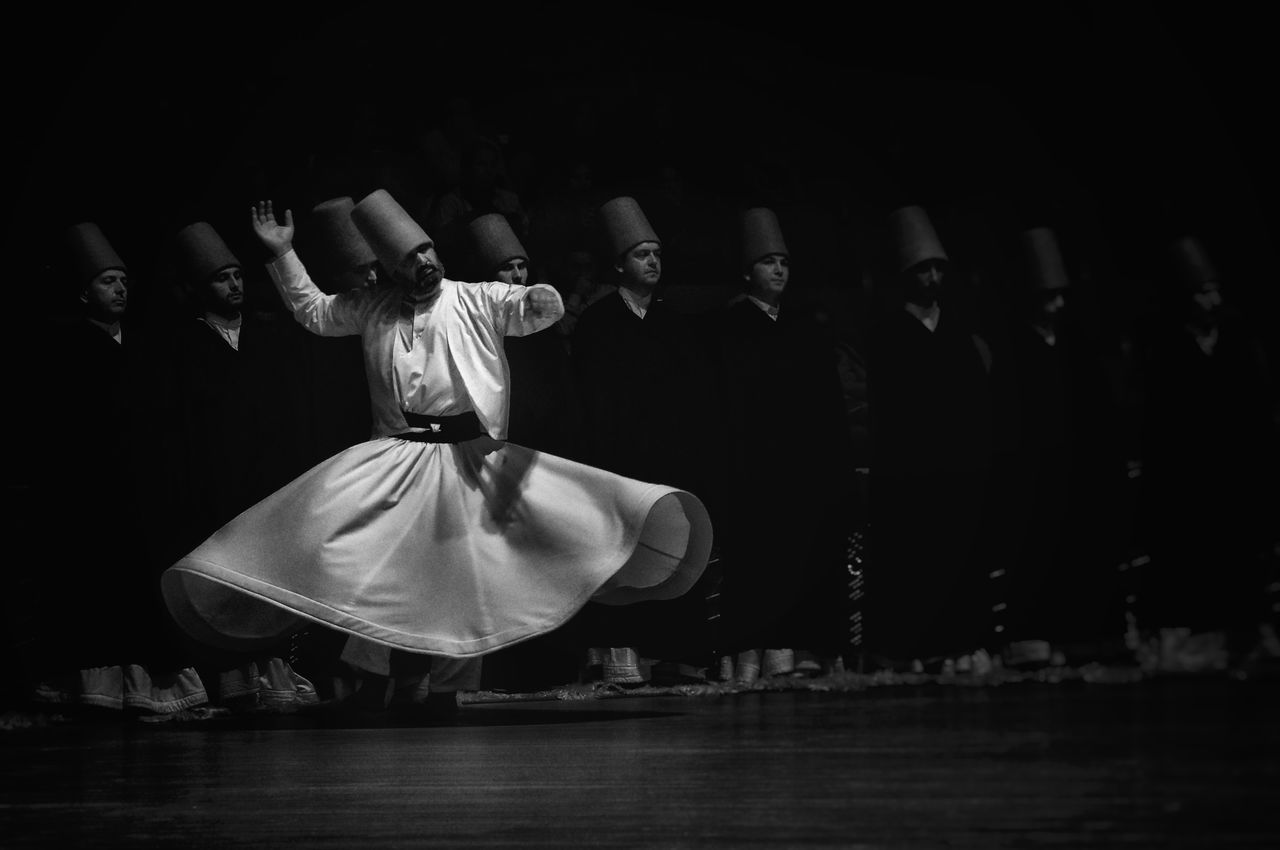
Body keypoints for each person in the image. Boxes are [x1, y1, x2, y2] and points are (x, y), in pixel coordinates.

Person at [161, 191, 712, 718]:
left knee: (457, 575)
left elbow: (529, 308)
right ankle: (377, 681)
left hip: (464, 455)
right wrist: (282, 252)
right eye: (408, 258)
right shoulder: (374, 308)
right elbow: (314, 312)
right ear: (388, 267)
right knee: (373, 566)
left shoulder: (472, 297)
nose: (422, 263)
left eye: (425, 251)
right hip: (397, 454)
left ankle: (442, 687)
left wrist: (539, 295)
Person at [29, 223, 209, 717]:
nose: (120, 289)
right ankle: (98, 685)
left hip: (145, 485)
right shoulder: (64, 347)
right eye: (108, 281)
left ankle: (149, 685)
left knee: (145, 582)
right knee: (99, 583)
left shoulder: (143, 347)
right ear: (83, 292)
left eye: (124, 281)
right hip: (92, 488)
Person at [569, 196, 725, 685]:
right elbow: (590, 404)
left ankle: (676, 652)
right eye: (641, 254)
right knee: (620, 556)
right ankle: (620, 653)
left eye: (657, 253)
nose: (653, 261)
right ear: (619, 264)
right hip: (619, 461)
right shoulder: (597, 325)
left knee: (671, 555)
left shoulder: (676, 323)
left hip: (669, 458)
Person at [715, 208, 854, 684]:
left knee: (800, 558)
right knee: (759, 561)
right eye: (768, 261)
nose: (778, 270)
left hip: (800, 466)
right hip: (754, 466)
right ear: (747, 271)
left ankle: (798, 649)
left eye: (784, 263)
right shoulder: (730, 329)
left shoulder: (803, 328)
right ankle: (755, 652)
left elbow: (826, 404)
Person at [865, 205, 996, 672]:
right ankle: (911, 649)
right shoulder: (885, 336)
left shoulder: (959, 334)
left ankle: (959, 643)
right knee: (914, 564)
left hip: (958, 471)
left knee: (958, 559)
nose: (933, 277)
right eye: (924, 269)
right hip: (910, 474)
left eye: (939, 268)